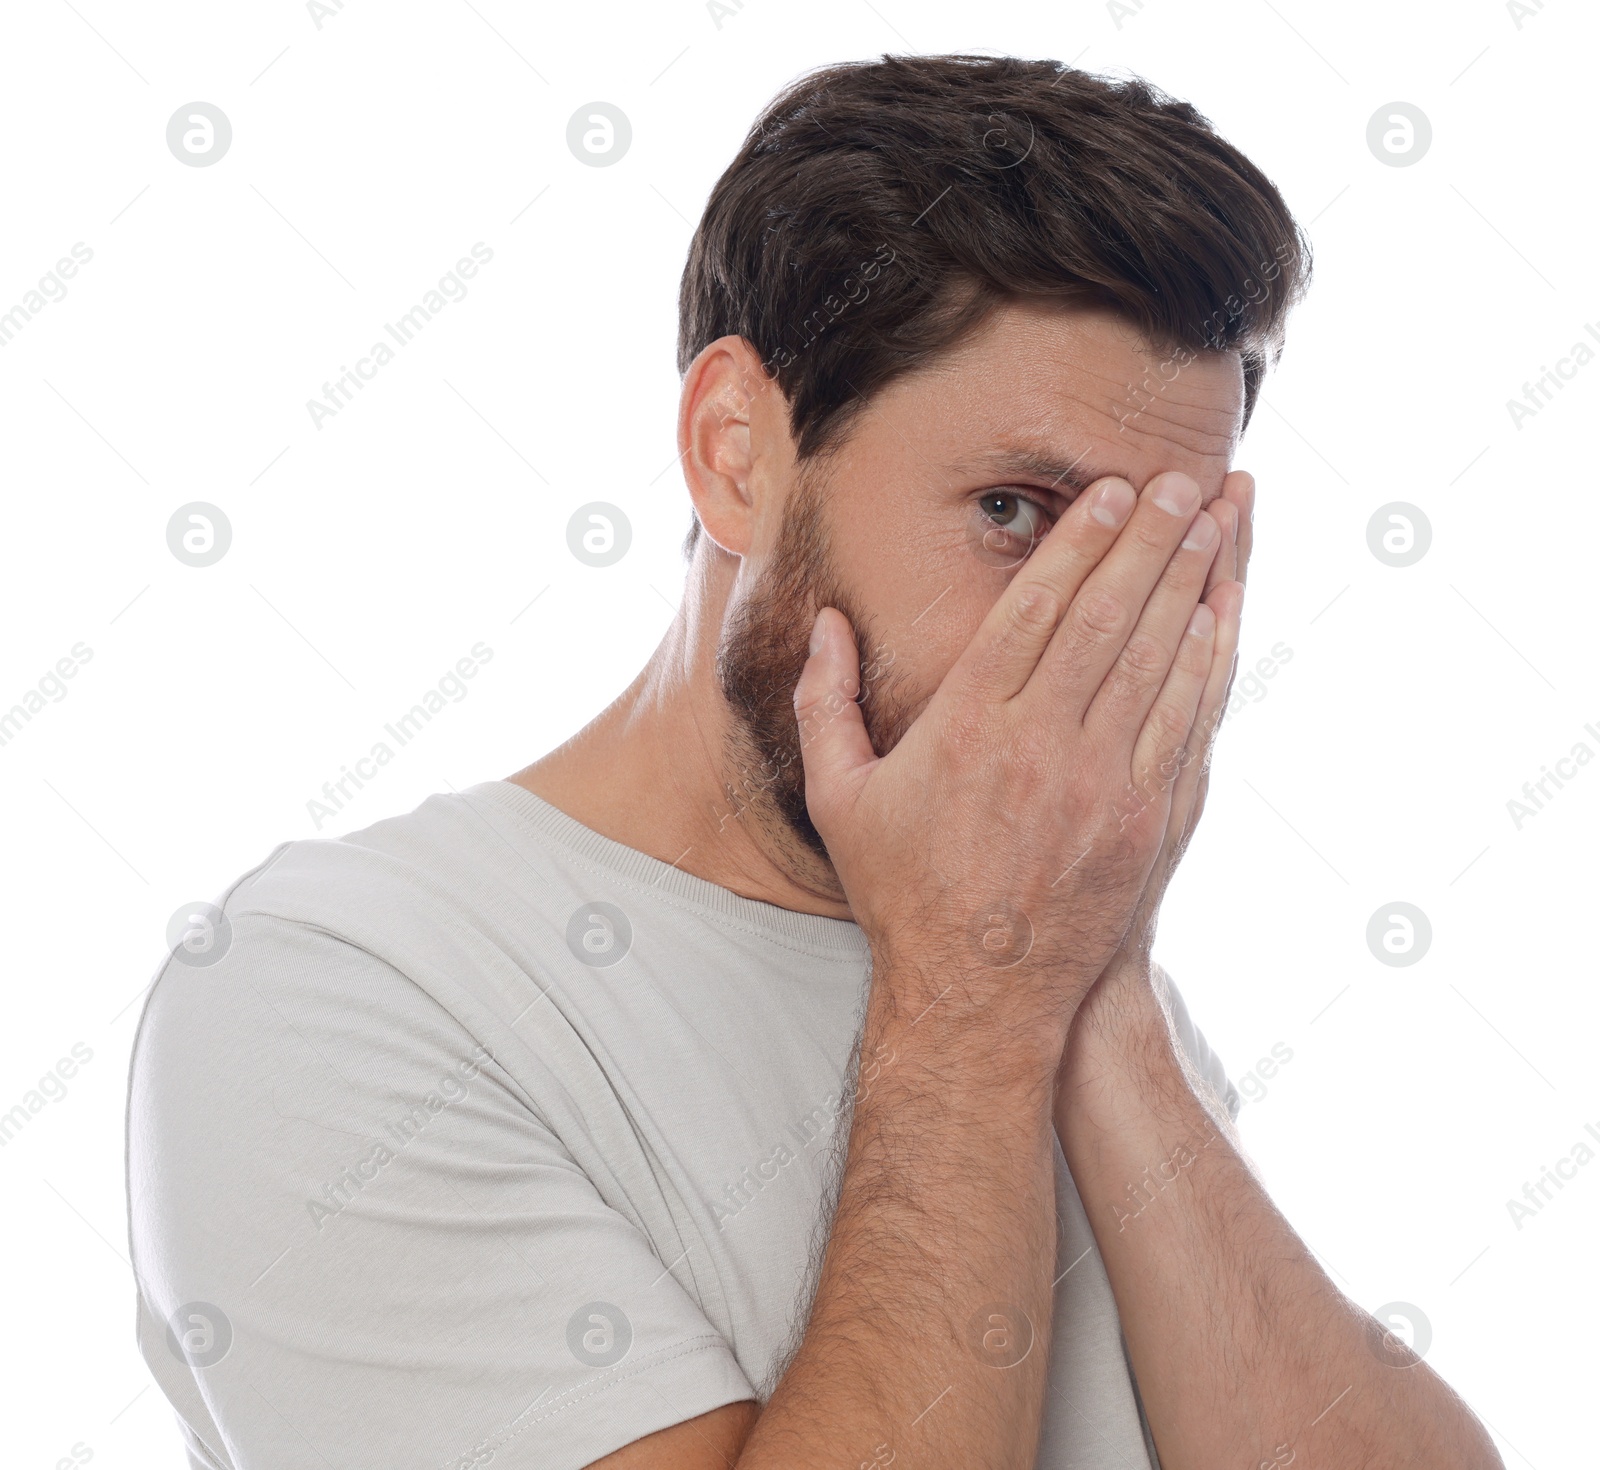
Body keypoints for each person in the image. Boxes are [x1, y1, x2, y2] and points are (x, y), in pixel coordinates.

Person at [127, 53, 1503, 1470]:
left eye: (1161, 549)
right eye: (1019, 512)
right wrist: (976, 998)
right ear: (736, 454)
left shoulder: (1065, 956)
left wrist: (1105, 998)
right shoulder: (337, 987)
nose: (1081, 633)